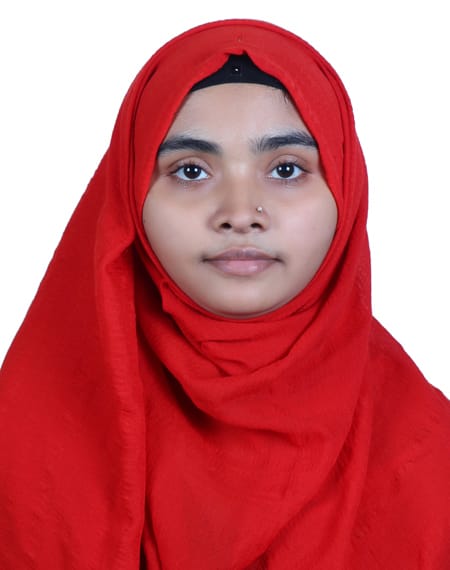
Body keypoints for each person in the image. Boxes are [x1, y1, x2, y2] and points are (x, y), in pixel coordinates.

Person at [0, 18, 449, 569]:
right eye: (191, 171)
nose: (240, 213)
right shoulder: (24, 430)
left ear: (346, 189)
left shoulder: (427, 456)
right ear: (129, 197)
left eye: (287, 169)